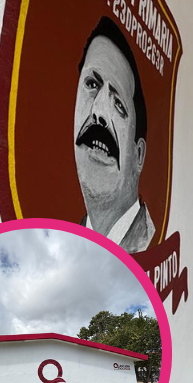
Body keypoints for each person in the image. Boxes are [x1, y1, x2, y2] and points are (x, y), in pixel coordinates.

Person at [73, 16, 155, 253]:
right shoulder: (69, 246)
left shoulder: (144, 243)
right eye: (92, 84)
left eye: (119, 105)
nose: (99, 112)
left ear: (139, 155)